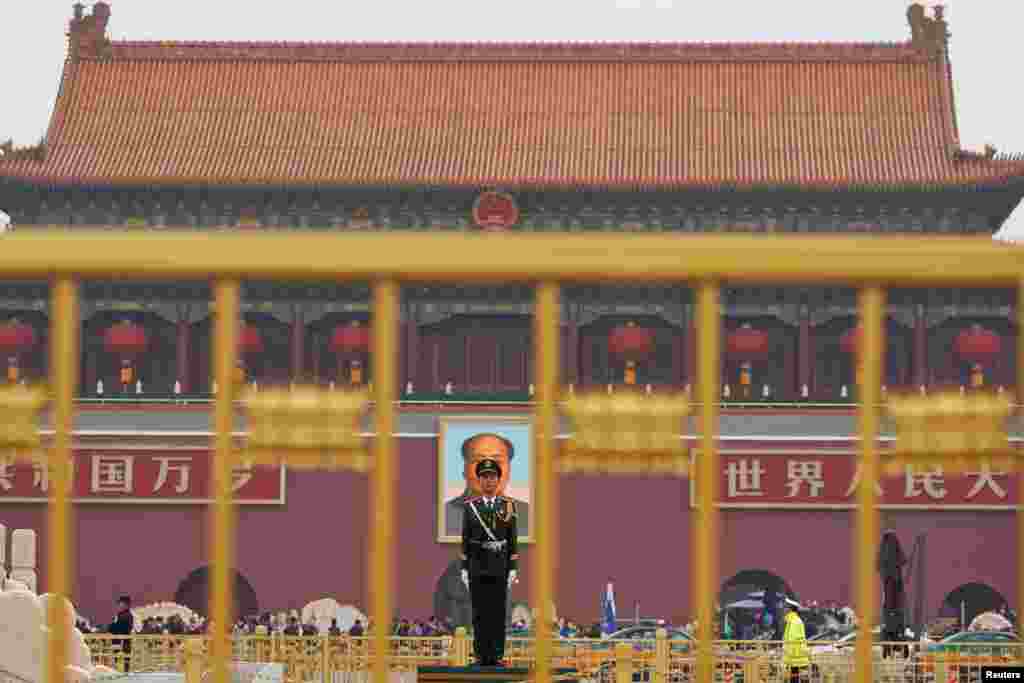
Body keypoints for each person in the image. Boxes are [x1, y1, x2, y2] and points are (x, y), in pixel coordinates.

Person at [460, 458, 520, 667]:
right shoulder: (471, 508)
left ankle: (496, 655)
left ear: (498, 480)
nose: (488, 481)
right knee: (478, 613)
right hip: (477, 566)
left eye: (492, 477)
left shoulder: (508, 506)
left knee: (497, 613)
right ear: (479, 480)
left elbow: (513, 540)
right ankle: (480, 656)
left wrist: (513, 568)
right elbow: (465, 540)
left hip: (499, 567)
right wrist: (464, 569)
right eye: (484, 477)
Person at [445, 433, 530, 538]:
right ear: (465, 470)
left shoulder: (529, 515)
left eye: (497, 461)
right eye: (478, 460)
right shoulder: (444, 515)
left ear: (509, 471)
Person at [782, 602, 810, 683]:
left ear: (790, 609)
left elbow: (792, 639)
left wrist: (786, 651)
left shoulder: (795, 621)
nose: (783, 609)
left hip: (796, 655)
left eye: (785, 607)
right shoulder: (792, 620)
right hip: (795, 655)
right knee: (794, 677)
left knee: (799, 677)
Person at [108, 595, 134, 672]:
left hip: (123, 641)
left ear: (126, 604)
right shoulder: (121, 615)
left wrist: (113, 625)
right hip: (120, 641)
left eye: (121, 603)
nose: (119, 605)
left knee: (123, 661)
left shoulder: (127, 615)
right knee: (121, 661)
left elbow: (120, 628)